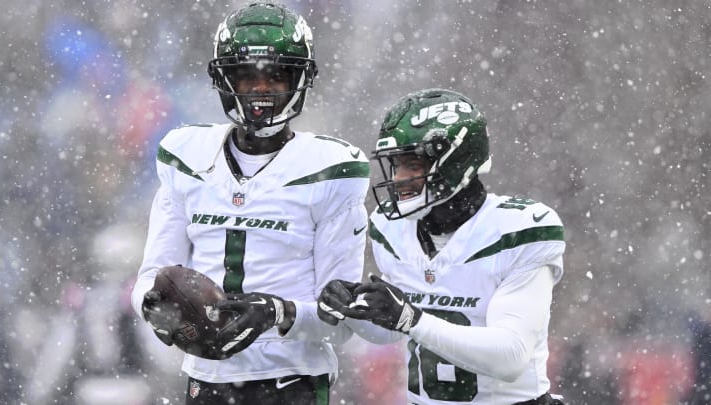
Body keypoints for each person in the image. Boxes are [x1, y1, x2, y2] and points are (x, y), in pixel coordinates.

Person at [131, 3, 370, 404]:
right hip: (205, 381)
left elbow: (340, 324)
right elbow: (150, 279)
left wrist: (277, 313)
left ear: (300, 78)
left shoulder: (332, 171)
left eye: (277, 75)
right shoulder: (186, 156)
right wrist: (160, 311)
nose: (262, 89)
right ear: (224, 78)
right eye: (247, 75)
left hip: (292, 381)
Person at [318, 88, 566, 404]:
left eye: (412, 165)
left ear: (456, 163)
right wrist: (355, 311)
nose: (398, 179)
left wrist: (412, 318)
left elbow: (510, 357)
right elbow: (393, 331)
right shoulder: (390, 228)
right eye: (395, 165)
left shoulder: (520, 230)